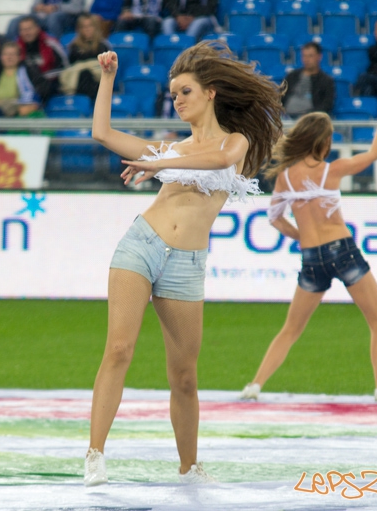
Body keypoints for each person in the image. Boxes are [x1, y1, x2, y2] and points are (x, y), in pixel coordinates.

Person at [84, 42, 284, 486]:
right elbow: (101, 132)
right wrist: (108, 78)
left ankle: (188, 467)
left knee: (185, 376)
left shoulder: (234, 141)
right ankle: (95, 455)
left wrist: (161, 165)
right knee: (119, 349)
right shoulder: (169, 150)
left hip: (188, 263)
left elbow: (220, 158)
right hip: (142, 245)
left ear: (211, 93)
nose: (177, 100)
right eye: (173, 94)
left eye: (185, 91)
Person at [238, 95, 377, 405]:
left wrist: (301, 236)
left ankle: (255, 385)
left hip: (312, 257)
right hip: (342, 251)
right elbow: (375, 152)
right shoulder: (331, 170)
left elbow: (274, 219)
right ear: (322, 141)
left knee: (291, 329)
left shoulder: (285, 177)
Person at [7, 0, 87, 39]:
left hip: (66, 17)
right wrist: (39, 7)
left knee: (53, 18)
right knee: (15, 22)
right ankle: (12, 50)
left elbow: (77, 8)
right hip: (43, 15)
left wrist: (56, 7)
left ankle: (55, 48)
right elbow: (35, 5)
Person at [59, 13, 111, 100]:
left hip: (98, 82)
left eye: (90, 26)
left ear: (96, 27)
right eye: (83, 27)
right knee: (83, 74)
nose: (87, 29)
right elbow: (71, 67)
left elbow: (106, 69)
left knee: (87, 74)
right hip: (78, 82)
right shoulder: (74, 47)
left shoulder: (103, 46)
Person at [282, 42, 336, 118]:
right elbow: (281, 97)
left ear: (319, 57)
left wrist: (310, 116)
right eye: (304, 56)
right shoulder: (292, 76)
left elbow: (327, 104)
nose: (306, 59)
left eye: (310, 56)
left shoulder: (326, 81)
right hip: (286, 117)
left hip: (310, 120)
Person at [0, 42, 43, 116]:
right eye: (6, 54)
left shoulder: (29, 71)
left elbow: (41, 90)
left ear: (19, 57)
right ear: (1, 57)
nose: (9, 57)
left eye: (13, 54)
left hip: (20, 110)